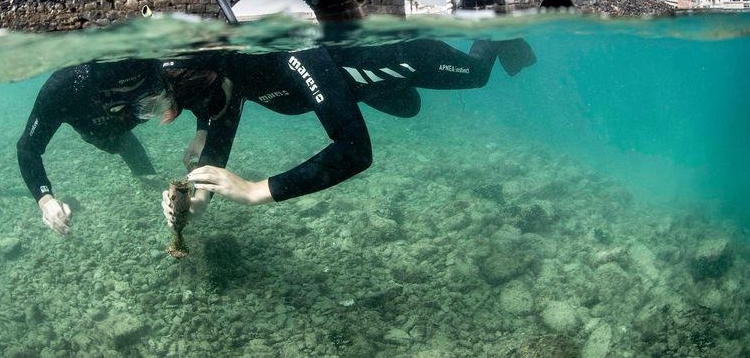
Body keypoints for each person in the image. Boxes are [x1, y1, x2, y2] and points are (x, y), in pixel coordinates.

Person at [160, 38, 536, 225]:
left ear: (217, 75)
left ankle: (500, 35)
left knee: (478, 76)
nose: (210, 116)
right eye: (198, 111)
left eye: (206, 105)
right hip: (359, 85)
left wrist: (257, 190)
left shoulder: (290, 53)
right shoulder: (232, 76)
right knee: (408, 108)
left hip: (408, 59)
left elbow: (355, 149)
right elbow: (221, 120)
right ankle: (368, 85)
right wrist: (197, 203)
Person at [17, 59, 171, 235]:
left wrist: (202, 133)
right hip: (98, 130)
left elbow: (202, 88)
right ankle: (143, 174)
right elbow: (28, 148)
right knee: (119, 143)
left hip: (115, 131)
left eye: (142, 93)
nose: (131, 108)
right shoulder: (64, 88)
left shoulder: (158, 66)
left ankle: (145, 177)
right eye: (118, 100)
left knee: (126, 145)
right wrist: (45, 199)